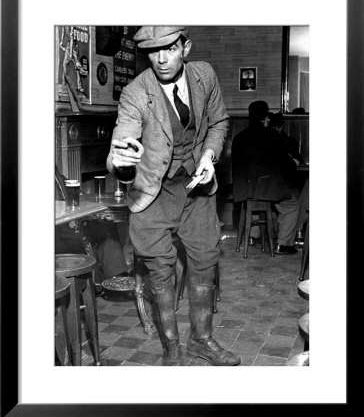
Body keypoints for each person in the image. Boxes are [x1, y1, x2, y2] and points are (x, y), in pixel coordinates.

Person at [106, 26, 240, 366]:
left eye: (169, 48)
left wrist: (209, 157)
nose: (162, 58)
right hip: (153, 191)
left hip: (196, 189)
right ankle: (172, 350)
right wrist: (120, 163)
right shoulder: (136, 93)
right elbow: (122, 143)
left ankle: (202, 341)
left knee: (204, 263)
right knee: (161, 274)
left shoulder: (204, 75)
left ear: (186, 47)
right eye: (153, 51)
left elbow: (219, 122)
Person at [231, 100, 299, 255]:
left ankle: (253, 236)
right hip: (265, 189)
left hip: (243, 190)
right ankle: (284, 245)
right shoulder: (273, 136)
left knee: (257, 200)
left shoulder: (239, 137)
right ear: (266, 118)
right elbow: (285, 164)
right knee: (291, 204)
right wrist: (293, 162)